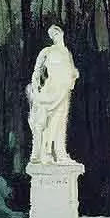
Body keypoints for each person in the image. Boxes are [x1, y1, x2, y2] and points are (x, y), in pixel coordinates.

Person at [27, 25, 79, 164]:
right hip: (51, 91)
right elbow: (37, 71)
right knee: (46, 122)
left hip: (64, 91)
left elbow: (72, 70)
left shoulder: (67, 53)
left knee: (60, 122)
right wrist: (35, 88)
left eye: (56, 33)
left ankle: (60, 152)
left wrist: (73, 75)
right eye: (52, 35)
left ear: (61, 33)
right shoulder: (48, 51)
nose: (54, 36)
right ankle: (46, 152)